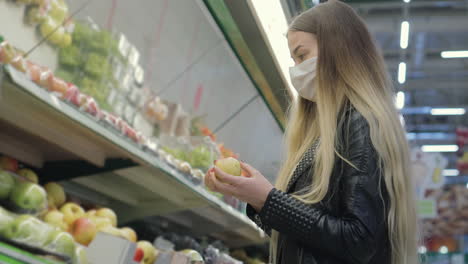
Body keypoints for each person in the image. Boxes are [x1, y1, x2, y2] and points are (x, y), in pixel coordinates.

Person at [204, 1, 418, 263]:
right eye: (293, 59)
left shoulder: (361, 124)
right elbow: (310, 241)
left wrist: (269, 199)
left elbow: (359, 240)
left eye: (302, 55)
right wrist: (258, 200)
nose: (295, 69)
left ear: (337, 49)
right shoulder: (324, 135)